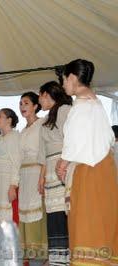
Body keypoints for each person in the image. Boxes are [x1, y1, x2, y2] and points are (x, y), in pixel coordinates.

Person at [56, 59, 118, 265]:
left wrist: (62, 164)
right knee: (103, 221)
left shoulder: (81, 107)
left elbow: (73, 141)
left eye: (64, 79)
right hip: (105, 170)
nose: (63, 84)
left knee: (87, 223)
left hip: (89, 173)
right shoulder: (97, 104)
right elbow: (108, 138)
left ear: (73, 78)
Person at [38, 81, 72, 265]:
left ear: (46, 94)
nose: (39, 100)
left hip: (63, 165)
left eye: (39, 95)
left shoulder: (65, 110)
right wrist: (41, 176)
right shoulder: (46, 119)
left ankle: (67, 259)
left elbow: (71, 140)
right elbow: (43, 151)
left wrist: (64, 163)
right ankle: (57, 259)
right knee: (54, 215)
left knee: (64, 213)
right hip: (50, 168)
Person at [18, 92, 48, 262]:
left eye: (26, 103)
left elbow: (45, 153)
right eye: (21, 103)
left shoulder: (42, 124)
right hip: (24, 177)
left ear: (36, 106)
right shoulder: (22, 131)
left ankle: (40, 260)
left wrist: (42, 178)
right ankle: (30, 257)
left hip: (37, 174)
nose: (22, 106)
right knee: (25, 216)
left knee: (38, 215)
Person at [0, 109, 21, 224]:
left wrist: (13, 185)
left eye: (0, 116)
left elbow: (16, 162)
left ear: (9, 120)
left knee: (6, 214)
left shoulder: (14, 136)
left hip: (6, 181)